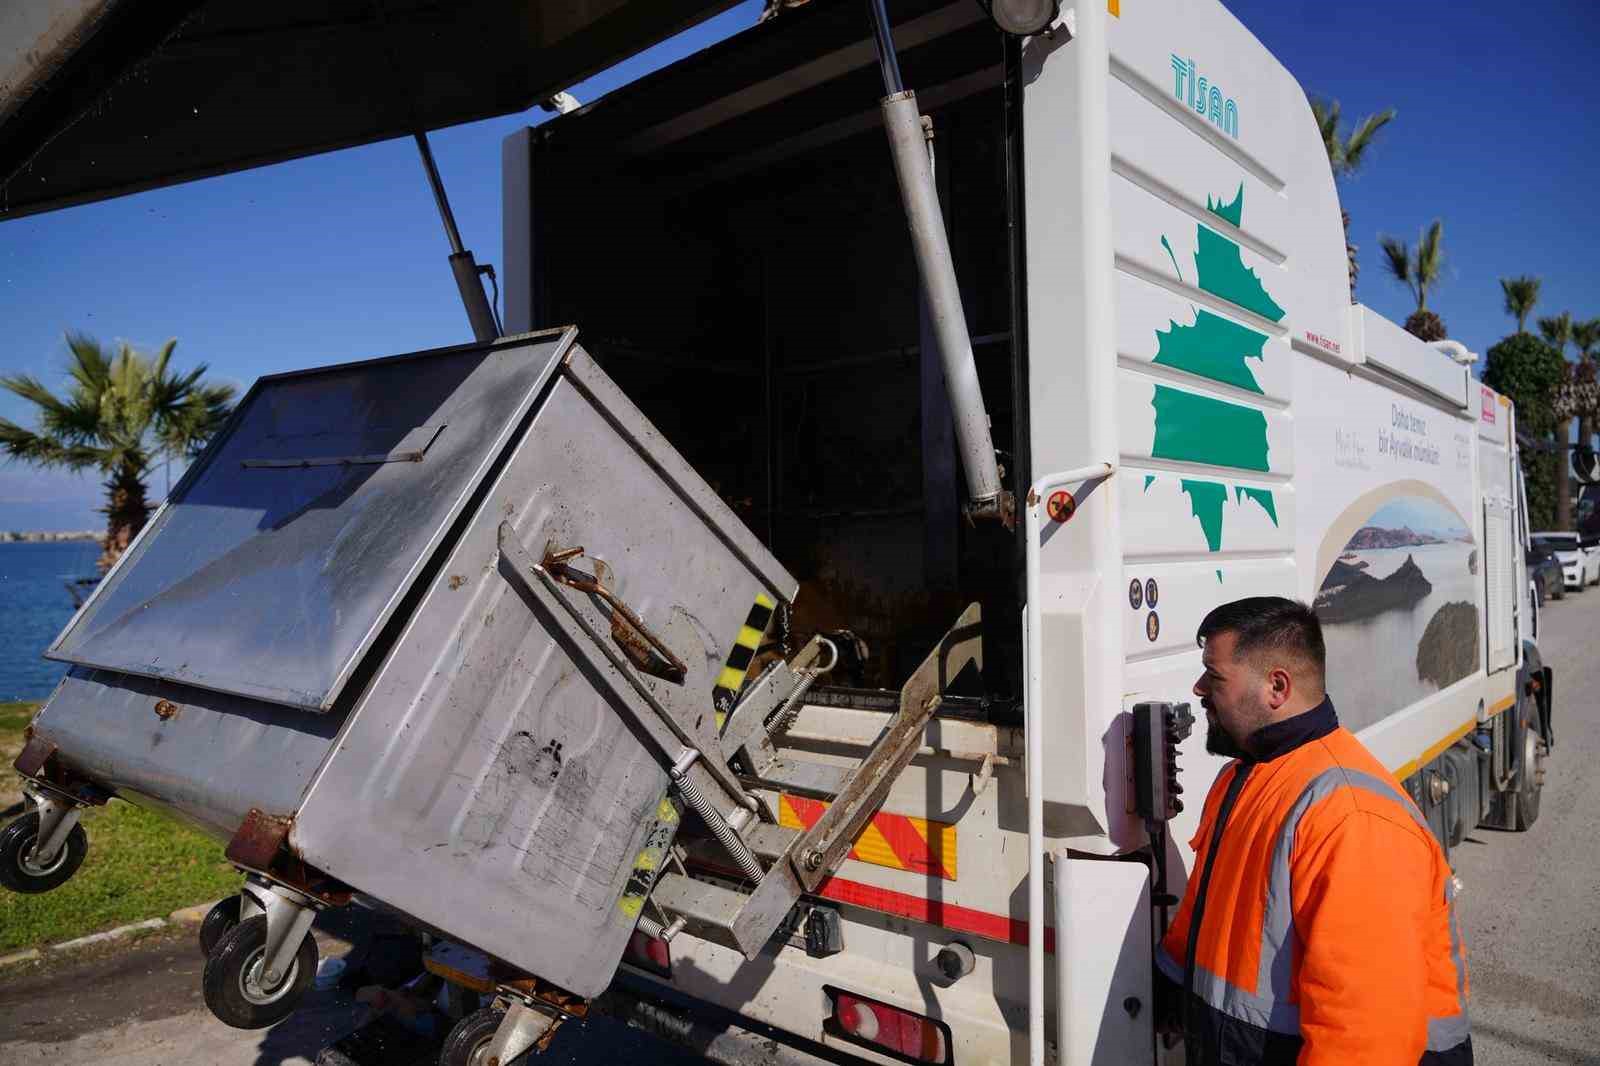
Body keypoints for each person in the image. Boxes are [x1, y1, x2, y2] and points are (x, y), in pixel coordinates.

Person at [1156, 596, 1471, 1065]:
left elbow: (1363, 1037)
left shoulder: (1353, 817)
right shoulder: (1243, 778)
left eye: (1214, 676)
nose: (1199, 688)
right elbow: (1213, 907)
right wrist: (1171, 981)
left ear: (1276, 687)